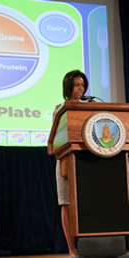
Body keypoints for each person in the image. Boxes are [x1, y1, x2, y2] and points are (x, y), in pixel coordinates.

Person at [53, 70, 89, 258]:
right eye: (76, 85)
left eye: (82, 85)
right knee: (66, 203)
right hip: (66, 161)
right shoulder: (60, 108)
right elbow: (57, 138)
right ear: (68, 87)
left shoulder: (89, 108)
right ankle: (72, 249)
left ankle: (89, 243)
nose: (80, 88)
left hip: (86, 161)